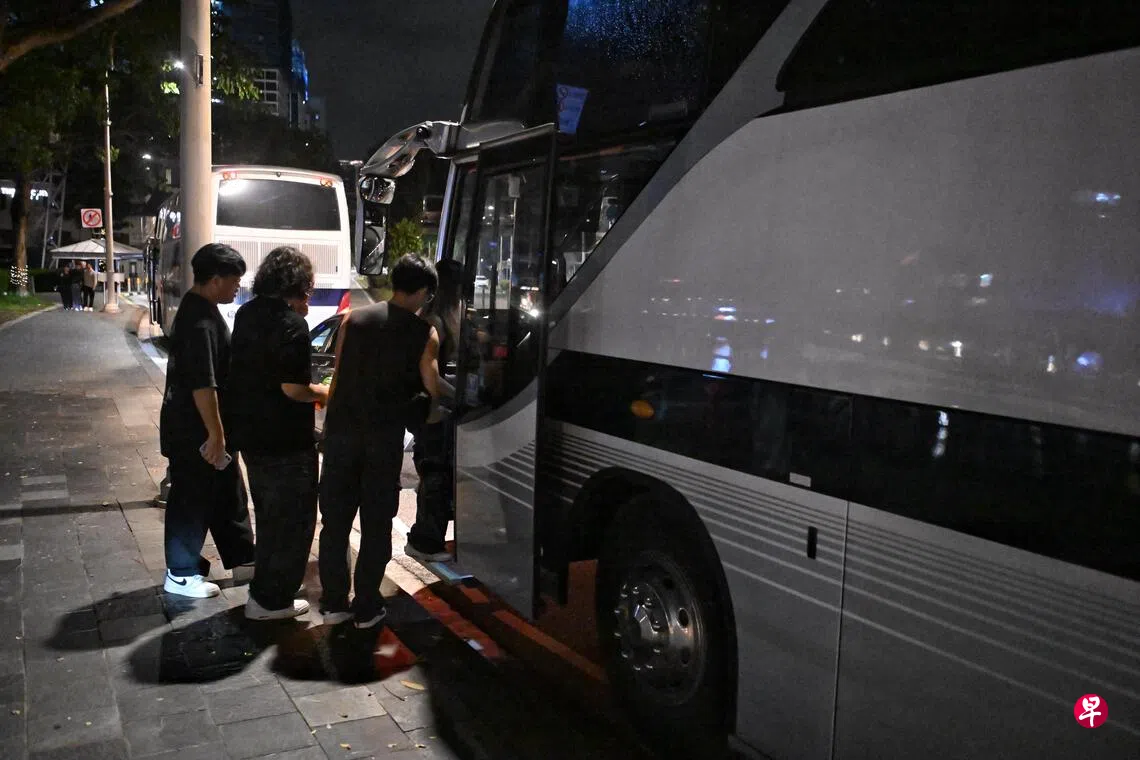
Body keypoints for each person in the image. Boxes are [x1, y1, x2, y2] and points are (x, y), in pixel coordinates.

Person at [317, 254, 442, 628]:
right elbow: (432, 387)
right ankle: (367, 605)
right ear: (422, 291)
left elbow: (338, 375)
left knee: (335, 524)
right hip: (382, 442)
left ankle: (333, 603)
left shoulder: (353, 320)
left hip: (341, 436)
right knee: (375, 526)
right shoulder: (424, 333)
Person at [227, 247, 328, 620]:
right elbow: (294, 388)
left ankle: (265, 592)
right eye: (308, 289)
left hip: (253, 437)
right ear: (298, 285)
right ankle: (272, 601)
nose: (308, 298)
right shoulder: (291, 325)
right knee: (293, 523)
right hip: (286, 440)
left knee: (270, 517)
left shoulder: (247, 313)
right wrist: (325, 392)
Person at [159, 243, 255, 598]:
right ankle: (181, 573)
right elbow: (203, 384)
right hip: (194, 432)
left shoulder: (201, 309)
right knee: (191, 500)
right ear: (215, 280)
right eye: (234, 280)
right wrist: (215, 435)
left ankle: (244, 558)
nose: (237, 287)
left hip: (201, 429)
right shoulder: (199, 321)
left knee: (227, 494)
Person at [406, 259, 462, 562]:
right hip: (431, 412)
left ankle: (428, 537)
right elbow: (430, 375)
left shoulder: (444, 316)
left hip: (437, 410)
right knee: (434, 475)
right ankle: (425, 540)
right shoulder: (434, 322)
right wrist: (459, 395)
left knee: (437, 475)